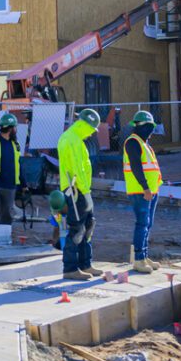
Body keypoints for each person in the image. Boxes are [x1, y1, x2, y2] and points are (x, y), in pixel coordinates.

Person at [56, 108, 102, 279]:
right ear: (85, 125)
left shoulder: (74, 139)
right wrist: (86, 193)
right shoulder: (72, 140)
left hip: (79, 190)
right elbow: (78, 170)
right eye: (91, 129)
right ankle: (70, 268)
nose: (91, 134)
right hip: (76, 191)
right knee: (77, 229)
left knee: (87, 227)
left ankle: (85, 264)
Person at [123, 109, 164, 273]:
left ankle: (144, 256)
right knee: (142, 224)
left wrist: (154, 187)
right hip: (140, 191)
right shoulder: (133, 142)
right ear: (142, 126)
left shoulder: (144, 144)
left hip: (150, 191)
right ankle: (139, 259)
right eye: (149, 127)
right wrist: (146, 188)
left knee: (147, 224)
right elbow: (136, 167)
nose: (151, 131)